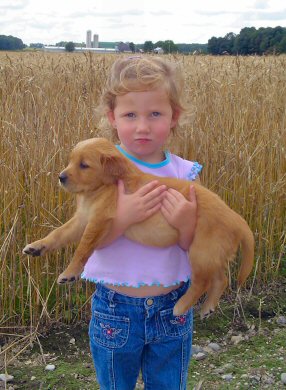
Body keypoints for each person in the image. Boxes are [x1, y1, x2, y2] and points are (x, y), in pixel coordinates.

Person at [81, 56, 202, 390]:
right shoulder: (103, 169)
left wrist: (187, 223)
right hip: (115, 309)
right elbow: (89, 239)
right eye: (130, 115)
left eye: (155, 114)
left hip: (173, 306)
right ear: (112, 118)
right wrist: (122, 219)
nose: (142, 126)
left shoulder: (183, 173)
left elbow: (191, 245)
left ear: (174, 117)